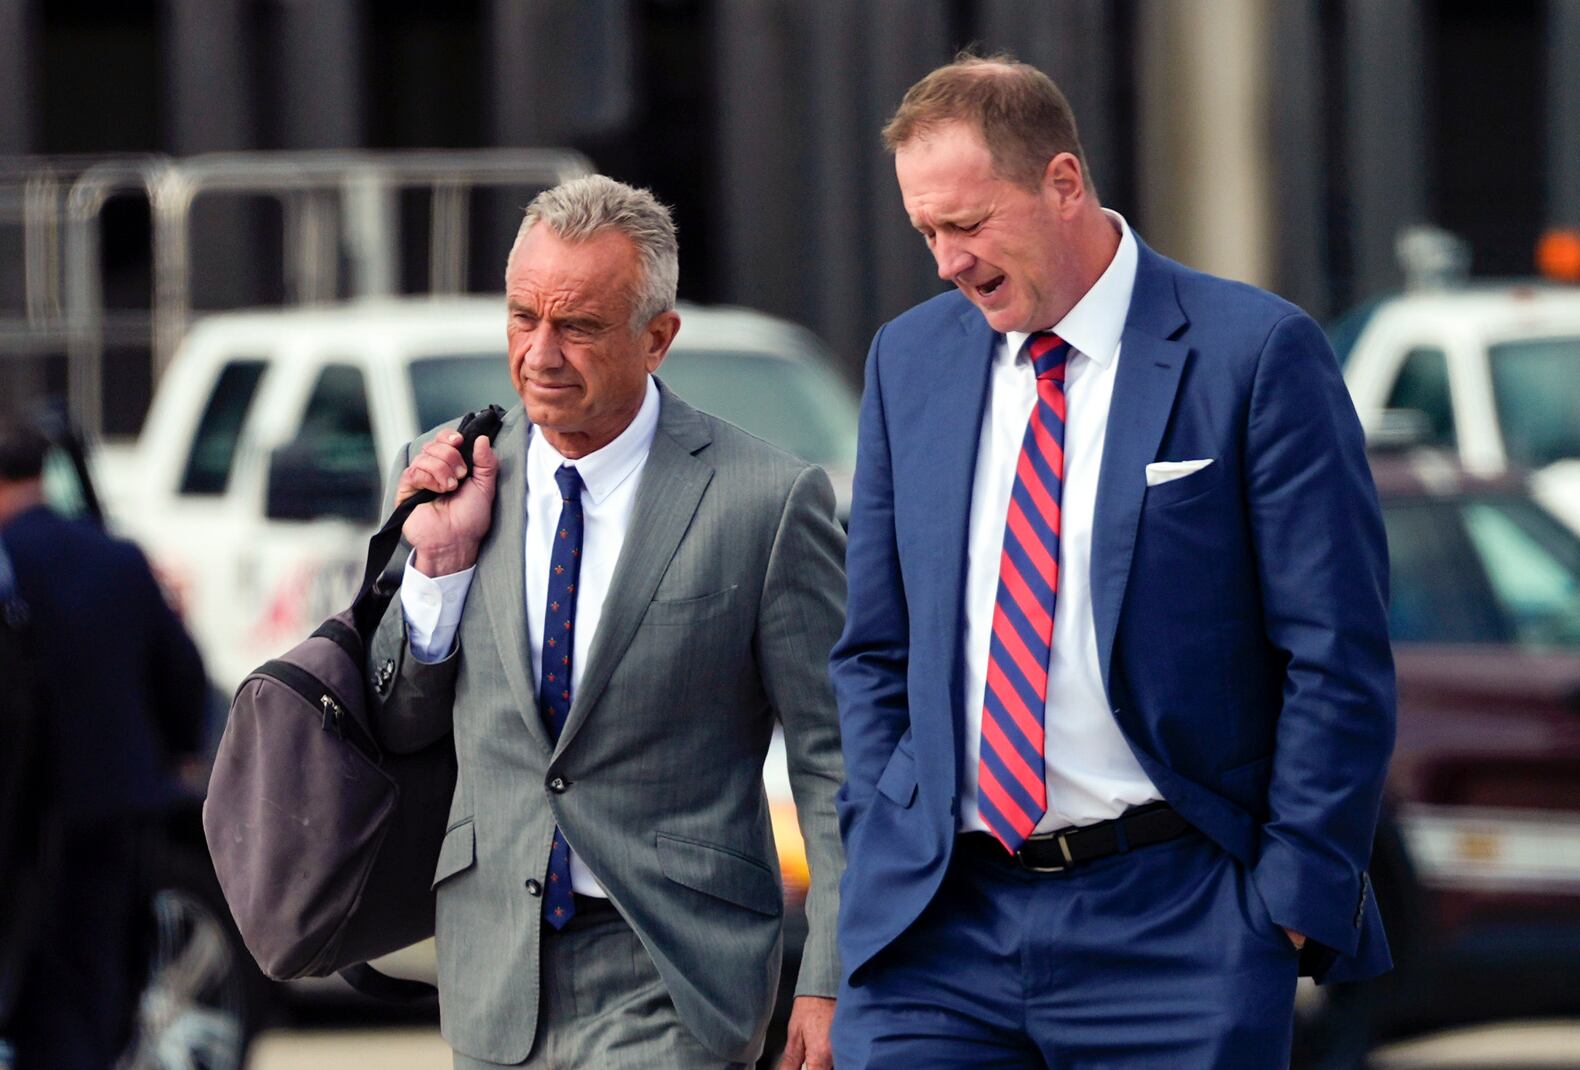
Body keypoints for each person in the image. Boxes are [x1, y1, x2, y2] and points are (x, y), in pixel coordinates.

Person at [829, 54, 1396, 1068]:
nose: (947, 261)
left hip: (1177, 925)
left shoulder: (1256, 352)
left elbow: (1336, 651)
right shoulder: (905, 360)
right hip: (939, 928)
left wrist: (1288, 903)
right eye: (926, 232)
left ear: (1061, 182)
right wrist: (880, 834)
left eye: (967, 224)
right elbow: (875, 646)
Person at [367, 175, 846, 1069]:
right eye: (522, 318)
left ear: (657, 338)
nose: (540, 354)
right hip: (496, 964)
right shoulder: (444, 475)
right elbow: (401, 721)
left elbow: (834, 758)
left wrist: (828, 974)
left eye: (578, 326)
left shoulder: (766, 503)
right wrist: (436, 566)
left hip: (672, 966)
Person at [0, 421, 208, 1070]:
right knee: (96, 997)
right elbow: (183, 680)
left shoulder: (10, 567)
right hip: (117, 816)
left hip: (23, 831)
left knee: (32, 1003)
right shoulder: (115, 557)